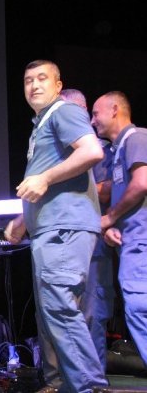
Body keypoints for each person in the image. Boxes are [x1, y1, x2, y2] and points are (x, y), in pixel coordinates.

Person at [4, 60, 107, 393]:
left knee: (60, 309)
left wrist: (45, 178)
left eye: (42, 78)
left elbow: (91, 151)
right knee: (55, 312)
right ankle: (81, 384)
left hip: (64, 227)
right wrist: (24, 219)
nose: (34, 85)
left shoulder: (64, 111)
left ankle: (88, 387)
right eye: (27, 80)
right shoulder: (43, 123)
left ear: (58, 85)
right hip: (51, 227)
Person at [60, 88, 115, 371]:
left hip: (93, 246)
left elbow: (109, 189)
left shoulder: (101, 150)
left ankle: (93, 380)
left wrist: (61, 184)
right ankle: (70, 379)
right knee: (65, 312)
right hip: (64, 242)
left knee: (92, 312)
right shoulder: (57, 153)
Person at [91, 91, 147, 366]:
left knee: (139, 308)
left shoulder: (135, 138)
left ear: (114, 110)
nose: (92, 121)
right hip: (132, 240)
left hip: (142, 240)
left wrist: (110, 217)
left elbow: (142, 183)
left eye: (95, 113)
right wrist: (114, 227)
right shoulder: (117, 151)